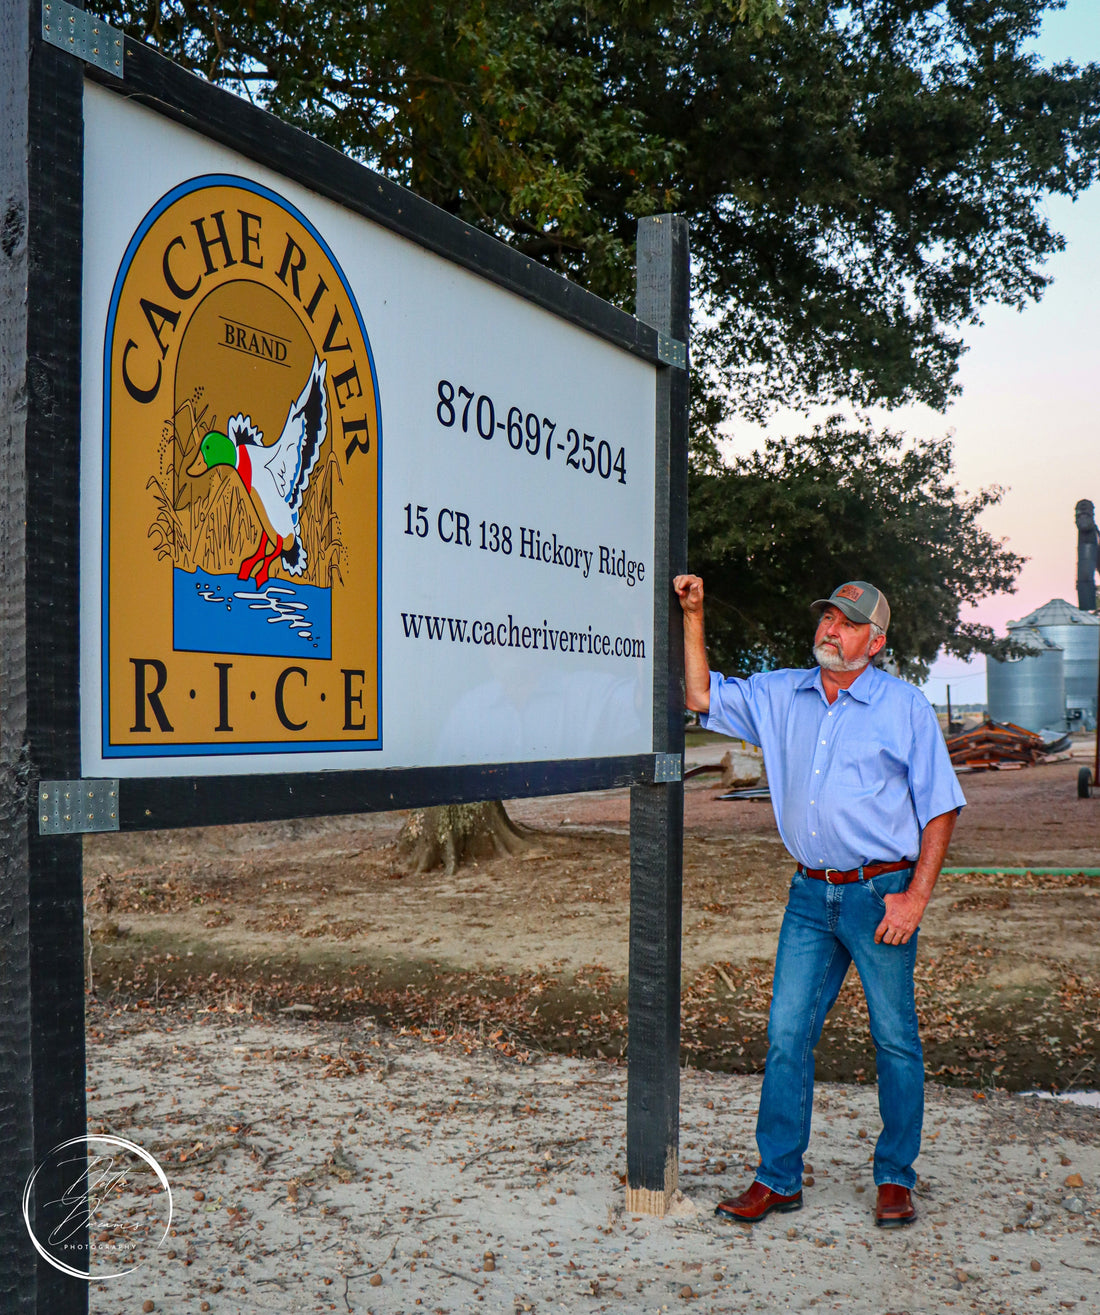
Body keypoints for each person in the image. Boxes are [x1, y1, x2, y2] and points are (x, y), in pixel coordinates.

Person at [674, 575, 965, 1229]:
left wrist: (915, 896)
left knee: (894, 1038)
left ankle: (895, 1176)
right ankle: (777, 1177)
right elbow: (700, 694)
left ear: (876, 640)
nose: (830, 629)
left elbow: (941, 806)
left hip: (882, 893)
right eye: (828, 617)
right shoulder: (781, 693)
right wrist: (695, 614)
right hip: (810, 894)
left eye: (847, 622)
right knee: (786, 1034)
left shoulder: (904, 707)